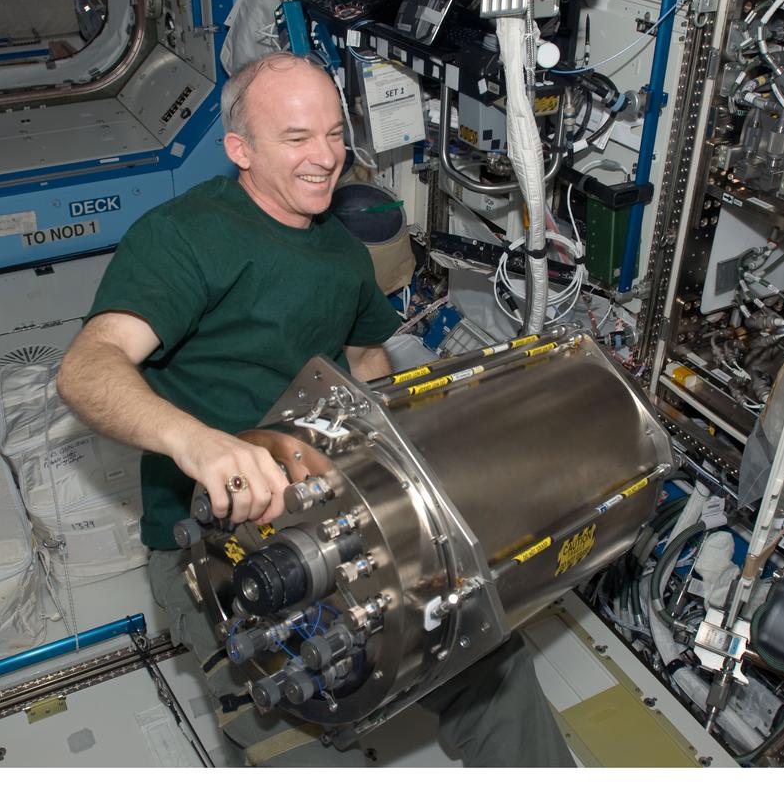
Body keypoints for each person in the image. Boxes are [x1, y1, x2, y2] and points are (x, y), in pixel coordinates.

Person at [58, 52, 573, 767]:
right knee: (293, 731)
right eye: (297, 138)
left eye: (335, 134)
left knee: (493, 657)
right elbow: (88, 367)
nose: (326, 157)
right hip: (216, 544)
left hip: (336, 510)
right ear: (241, 149)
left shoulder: (340, 250)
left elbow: (365, 360)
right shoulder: (185, 236)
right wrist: (197, 442)